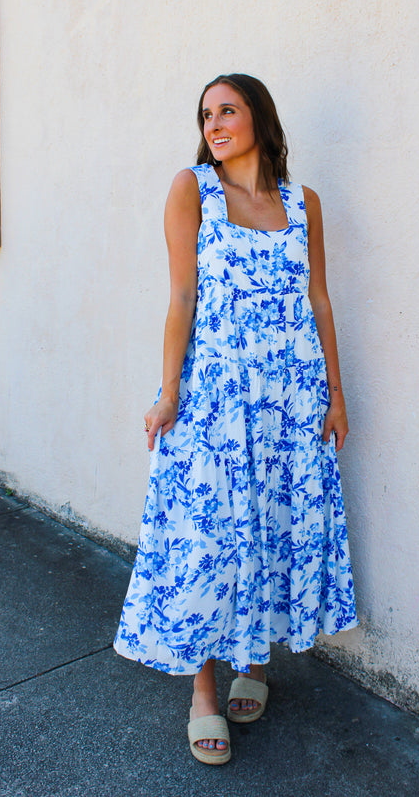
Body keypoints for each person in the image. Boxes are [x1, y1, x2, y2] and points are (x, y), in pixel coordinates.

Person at [114, 73, 358, 765]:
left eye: (228, 109)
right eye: (206, 114)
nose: (214, 122)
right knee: (210, 538)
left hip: (293, 400)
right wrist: (169, 394)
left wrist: (337, 394)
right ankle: (202, 694)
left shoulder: (303, 203)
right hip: (217, 400)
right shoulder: (193, 188)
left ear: (259, 118)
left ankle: (255, 663)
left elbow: (320, 300)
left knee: (273, 528)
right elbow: (183, 293)